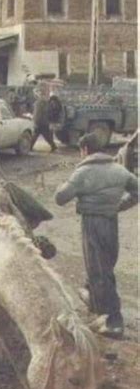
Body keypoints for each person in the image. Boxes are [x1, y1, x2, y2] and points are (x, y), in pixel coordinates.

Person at [55, 132, 138, 339]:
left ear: (84, 150)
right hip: (111, 220)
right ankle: (94, 300)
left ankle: (113, 321)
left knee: (99, 272)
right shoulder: (119, 170)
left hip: (92, 223)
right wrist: (119, 205)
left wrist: (65, 184)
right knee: (105, 265)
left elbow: (60, 198)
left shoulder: (82, 172)